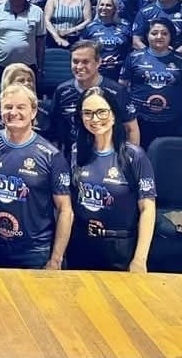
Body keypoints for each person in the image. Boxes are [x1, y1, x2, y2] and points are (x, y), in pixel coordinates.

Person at [0, 84, 72, 269]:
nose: (14, 112)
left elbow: (65, 210)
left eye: (21, 107)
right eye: (8, 107)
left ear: (33, 111)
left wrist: (56, 259)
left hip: (33, 251)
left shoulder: (51, 155)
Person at [68, 87, 156, 272]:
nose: (95, 119)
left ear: (114, 115)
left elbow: (147, 209)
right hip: (81, 245)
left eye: (102, 112)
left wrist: (140, 259)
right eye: (88, 113)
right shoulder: (76, 151)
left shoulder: (135, 156)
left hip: (120, 248)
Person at [121, 18, 182, 149]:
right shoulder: (134, 57)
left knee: (165, 157)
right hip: (138, 120)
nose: (159, 36)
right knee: (138, 156)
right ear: (147, 35)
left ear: (170, 36)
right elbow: (122, 88)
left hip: (171, 121)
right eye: (154, 33)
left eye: (164, 33)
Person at [53, 40, 140, 152]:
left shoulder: (117, 91)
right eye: (75, 61)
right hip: (74, 154)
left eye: (85, 62)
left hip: (110, 154)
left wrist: (130, 157)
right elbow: (56, 130)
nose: (79, 67)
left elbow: (131, 129)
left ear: (98, 62)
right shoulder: (62, 91)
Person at [0, 63, 53, 138]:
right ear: (9, 84)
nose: (27, 83)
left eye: (29, 80)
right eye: (21, 81)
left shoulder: (45, 108)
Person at [81, 0, 132, 81]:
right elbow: (83, 50)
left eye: (108, 5)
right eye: (102, 5)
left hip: (119, 73)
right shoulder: (90, 27)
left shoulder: (125, 26)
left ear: (115, 8)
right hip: (97, 72)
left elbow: (131, 49)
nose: (104, 8)